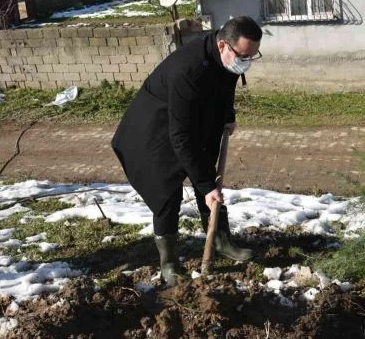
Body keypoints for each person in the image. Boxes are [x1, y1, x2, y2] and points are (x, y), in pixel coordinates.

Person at [111, 16, 262, 286]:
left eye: (253, 56)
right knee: (167, 190)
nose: (247, 62)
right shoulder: (188, 70)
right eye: (244, 55)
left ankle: (219, 240)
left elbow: (227, 84)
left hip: (192, 120)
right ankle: (169, 264)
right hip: (153, 130)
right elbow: (180, 136)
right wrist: (206, 187)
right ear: (223, 45)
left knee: (206, 170)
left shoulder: (226, 58)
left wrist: (228, 114)